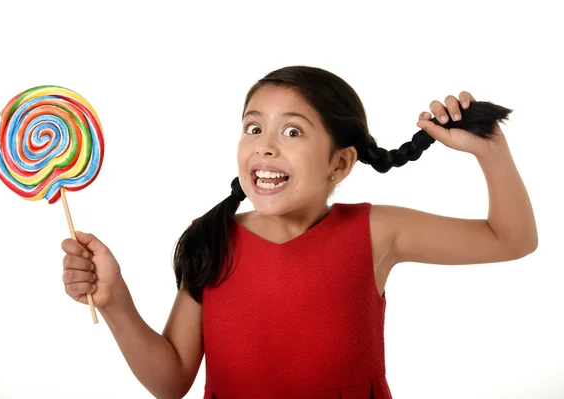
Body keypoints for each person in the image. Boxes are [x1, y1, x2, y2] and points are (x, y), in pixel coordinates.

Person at [61, 66, 538, 399]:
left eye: (292, 132)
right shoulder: (211, 237)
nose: (265, 148)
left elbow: (511, 239)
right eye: (253, 128)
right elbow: (170, 383)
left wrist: (489, 151)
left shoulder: (377, 231)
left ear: (340, 163)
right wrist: (115, 300)